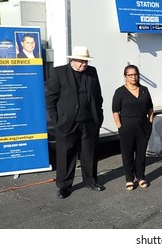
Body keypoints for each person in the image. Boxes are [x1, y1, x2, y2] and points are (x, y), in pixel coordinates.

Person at [46, 45, 105, 199]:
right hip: (67, 122)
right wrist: (56, 120)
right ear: (72, 59)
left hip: (89, 121)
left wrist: (99, 115)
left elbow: (98, 96)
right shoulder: (59, 72)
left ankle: (90, 181)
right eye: (80, 61)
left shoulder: (92, 72)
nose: (83, 64)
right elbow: (51, 99)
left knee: (89, 153)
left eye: (86, 61)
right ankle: (64, 186)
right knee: (66, 154)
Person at [112, 65, 154, 191]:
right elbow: (115, 111)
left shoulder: (144, 90)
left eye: (135, 74)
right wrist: (120, 126)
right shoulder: (120, 91)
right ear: (125, 76)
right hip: (126, 127)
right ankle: (129, 179)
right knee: (127, 154)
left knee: (141, 153)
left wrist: (150, 122)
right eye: (130, 75)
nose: (133, 77)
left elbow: (150, 107)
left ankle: (141, 177)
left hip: (143, 126)